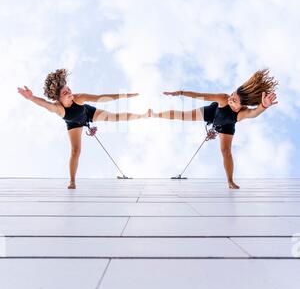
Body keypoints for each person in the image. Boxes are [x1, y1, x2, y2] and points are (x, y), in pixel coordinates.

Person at [18, 68, 150, 189]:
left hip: (87, 113)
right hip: (73, 123)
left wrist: (123, 96)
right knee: (76, 151)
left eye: (68, 89)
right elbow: (46, 104)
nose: (69, 92)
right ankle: (72, 181)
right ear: (58, 98)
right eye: (65, 92)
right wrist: (31, 98)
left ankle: (143, 115)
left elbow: (100, 98)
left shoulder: (78, 98)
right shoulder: (58, 108)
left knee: (114, 117)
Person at [151, 69, 279, 189]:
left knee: (225, 150)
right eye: (232, 94)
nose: (230, 98)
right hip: (212, 112)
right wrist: (180, 92)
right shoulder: (223, 98)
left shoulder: (242, 113)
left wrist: (263, 106)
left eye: (234, 100)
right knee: (183, 115)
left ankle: (230, 181)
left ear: (242, 105)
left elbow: (254, 113)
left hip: (227, 124)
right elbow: (200, 95)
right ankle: (155, 114)